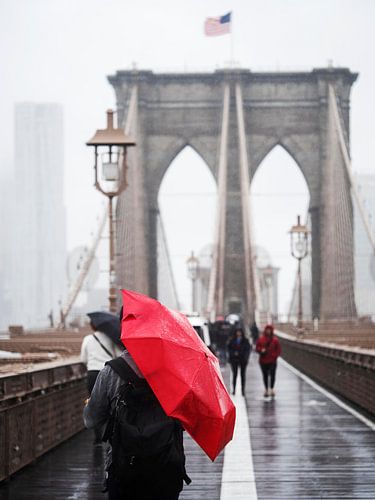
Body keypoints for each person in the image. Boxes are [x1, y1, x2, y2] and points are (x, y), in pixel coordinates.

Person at [83, 348, 189, 500]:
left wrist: (90, 406)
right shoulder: (175, 371)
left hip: (124, 466)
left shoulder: (110, 371)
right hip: (167, 465)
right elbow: (185, 420)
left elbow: (91, 420)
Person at [81, 321, 123, 442]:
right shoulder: (111, 338)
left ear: (92, 326)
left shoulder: (88, 339)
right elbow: (118, 355)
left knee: (93, 401)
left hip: (92, 373)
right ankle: (110, 432)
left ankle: (97, 435)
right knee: (111, 400)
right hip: (109, 372)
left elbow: (83, 358)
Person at [255, 324, 281, 397]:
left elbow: (278, 350)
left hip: (272, 361)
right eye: (267, 330)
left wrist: (274, 356)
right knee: (265, 375)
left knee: (272, 375)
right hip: (263, 361)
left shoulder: (275, 340)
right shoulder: (261, 339)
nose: (268, 331)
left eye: (269, 330)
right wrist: (261, 350)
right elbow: (257, 348)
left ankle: (272, 389)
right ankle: (266, 389)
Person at [227, 327, 251, 396]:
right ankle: (234, 389)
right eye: (237, 332)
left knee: (242, 375)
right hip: (234, 360)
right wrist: (233, 353)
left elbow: (247, 349)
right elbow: (229, 349)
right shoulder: (232, 340)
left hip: (242, 360)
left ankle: (243, 390)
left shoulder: (245, 340)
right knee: (235, 374)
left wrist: (245, 357)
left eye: (239, 332)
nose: (238, 333)